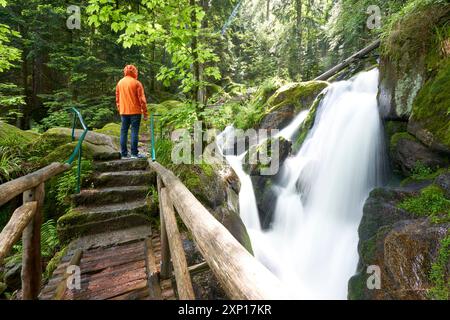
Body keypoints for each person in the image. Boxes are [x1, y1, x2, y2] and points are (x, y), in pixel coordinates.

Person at [116, 65, 149, 159]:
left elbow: (117, 99)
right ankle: (134, 154)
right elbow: (142, 100)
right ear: (135, 72)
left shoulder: (120, 83)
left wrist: (120, 109)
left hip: (124, 112)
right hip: (135, 112)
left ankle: (124, 154)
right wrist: (145, 113)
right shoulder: (137, 83)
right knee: (134, 132)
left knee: (123, 132)